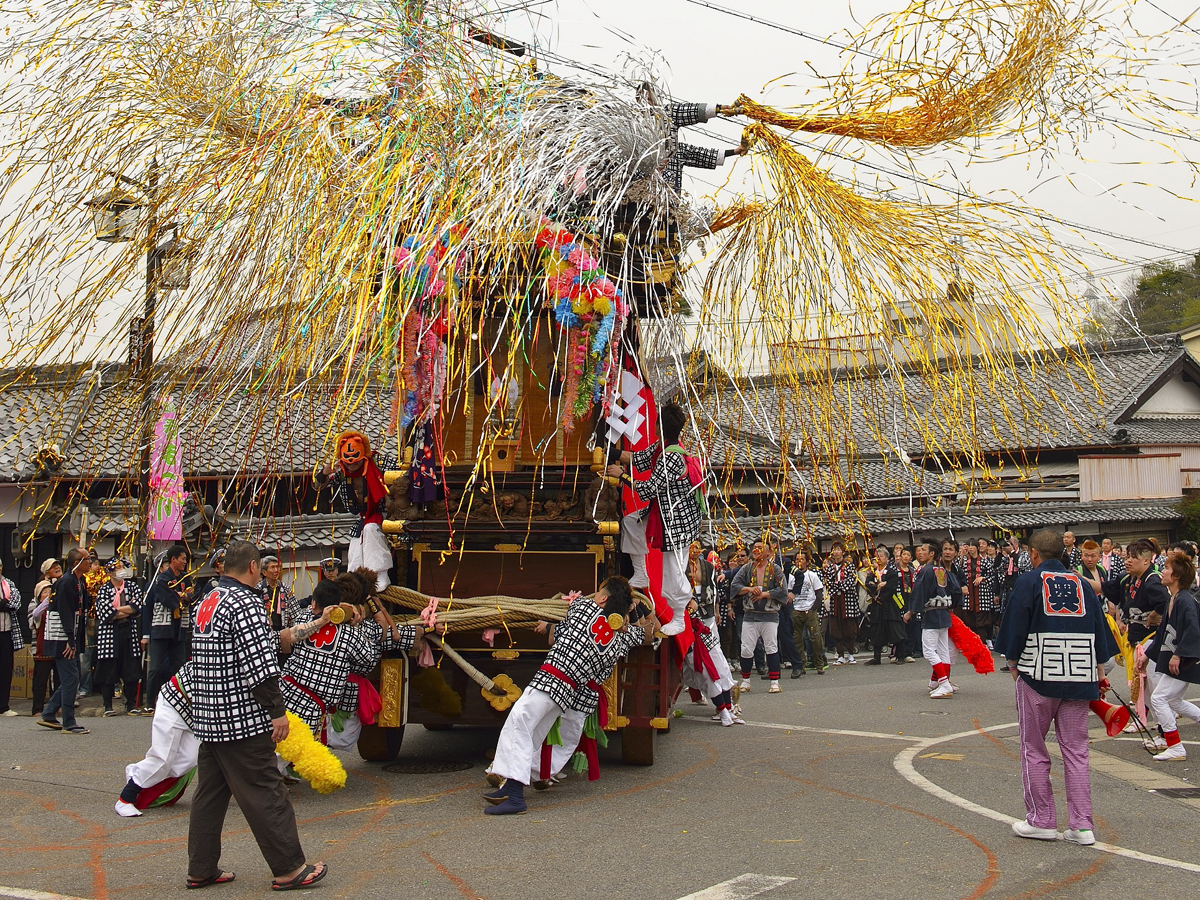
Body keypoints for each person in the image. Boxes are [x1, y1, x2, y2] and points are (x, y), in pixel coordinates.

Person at [186, 540, 327, 891]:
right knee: (266, 789)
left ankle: (201, 867)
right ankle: (290, 868)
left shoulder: (209, 599)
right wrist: (277, 712)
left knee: (211, 795)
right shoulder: (246, 601)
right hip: (240, 716)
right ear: (253, 567)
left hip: (208, 714)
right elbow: (260, 664)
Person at [483, 577, 655, 814]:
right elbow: (647, 634)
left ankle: (514, 796)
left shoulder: (583, 608)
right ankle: (511, 786)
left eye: (598, 593)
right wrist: (626, 618)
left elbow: (564, 624)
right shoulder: (620, 639)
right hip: (568, 692)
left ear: (603, 598)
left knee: (519, 724)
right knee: (532, 734)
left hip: (549, 680)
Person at [996, 528, 1117, 846]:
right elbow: (1099, 630)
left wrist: (1012, 664)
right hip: (1079, 674)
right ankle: (1081, 825)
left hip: (1038, 674)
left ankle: (1042, 820)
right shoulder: (1082, 584)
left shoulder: (1029, 581)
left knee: (1034, 749)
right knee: (1076, 751)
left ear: (1033, 554)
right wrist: (1099, 671)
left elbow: (1013, 631)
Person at [607, 401, 703, 636]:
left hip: (677, 520)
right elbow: (638, 458)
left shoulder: (671, 457)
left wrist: (622, 477)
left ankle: (679, 616)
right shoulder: (665, 446)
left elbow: (649, 489)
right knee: (631, 523)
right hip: (663, 510)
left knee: (674, 569)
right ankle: (641, 572)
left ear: (660, 426)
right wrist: (612, 451)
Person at [1139, 551, 1200, 761]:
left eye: (1166, 568)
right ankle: (1174, 744)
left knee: (1159, 698)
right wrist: (1147, 655)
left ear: (1175, 576)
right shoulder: (1174, 599)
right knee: (1173, 700)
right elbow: (1163, 632)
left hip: (1183, 659)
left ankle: (1175, 746)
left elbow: (1193, 630)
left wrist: (1179, 655)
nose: (1162, 572)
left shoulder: (1185, 600)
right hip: (1179, 659)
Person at [38, 548, 92, 734]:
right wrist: (70, 640)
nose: (91, 562)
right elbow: (65, 612)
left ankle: (49, 712)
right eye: (87, 559)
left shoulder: (79, 581)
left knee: (72, 677)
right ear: (77, 562)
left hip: (70, 634)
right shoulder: (66, 582)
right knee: (71, 678)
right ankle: (68, 721)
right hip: (62, 636)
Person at [906, 539, 963, 699]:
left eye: (923, 550)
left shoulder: (926, 571)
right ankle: (936, 681)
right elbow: (957, 589)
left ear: (932, 554)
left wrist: (911, 611)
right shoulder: (942, 571)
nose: (920, 552)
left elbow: (918, 592)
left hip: (931, 614)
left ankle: (944, 683)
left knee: (929, 651)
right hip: (944, 613)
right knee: (943, 650)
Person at [732, 538, 788, 693]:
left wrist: (764, 594)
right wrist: (749, 590)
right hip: (750, 615)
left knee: (771, 647)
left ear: (768, 551)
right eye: (754, 547)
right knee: (746, 649)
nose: (757, 550)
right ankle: (746, 680)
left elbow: (783, 590)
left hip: (769, 615)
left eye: (760, 547)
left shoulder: (775, 569)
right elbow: (735, 586)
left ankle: (774, 682)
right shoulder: (747, 569)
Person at [143, 545, 194, 713]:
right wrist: (182, 598)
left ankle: (182, 701)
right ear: (173, 560)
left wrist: (186, 597)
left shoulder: (186, 578)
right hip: (161, 627)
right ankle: (151, 702)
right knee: (155, 667)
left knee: (180, 666)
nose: (185, 562)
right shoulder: (161, 579)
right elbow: (166, 597)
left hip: (180, 628)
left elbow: (194, 594)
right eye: (182, 559)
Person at [93, 558, 145, 716]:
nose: (121, 570)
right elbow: (105, 614)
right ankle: (107, 705)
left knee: (131, 670)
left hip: (129, 632)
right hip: (109, 634)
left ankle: (130, 704)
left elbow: (137, 607)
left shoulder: (132, 587)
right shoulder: (103, 590)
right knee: (109, 669)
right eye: (118, 568)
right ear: (110, 572)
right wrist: (125, 611)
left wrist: (117, 609)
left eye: (122, 567)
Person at [866, 546, 907, 665]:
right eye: (877, 557)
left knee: (895, 629)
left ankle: (900, 655)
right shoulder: (873, 572)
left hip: (890, 604)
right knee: (876, 630)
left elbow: (892, 586)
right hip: (876, 606)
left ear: (887, 558)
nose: (878, 559)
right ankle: (876, 657)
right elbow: (868, 584)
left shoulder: (892, 570)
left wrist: (881, 590)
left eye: (881, 556)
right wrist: (877, 587)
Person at [822, 543, 860, 664]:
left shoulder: (849, 566)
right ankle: (840, 654)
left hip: (848, 599)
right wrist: (837, 586)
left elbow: (850, 581)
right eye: (834, 550)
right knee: (836, 627)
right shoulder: (829, 568)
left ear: (843, 552)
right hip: (835, 600)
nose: (836, 552)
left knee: (850, 627)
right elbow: (829, 583)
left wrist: (838, 585)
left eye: (838, 550)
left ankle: (851, 653)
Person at [790, 551, 826, 674]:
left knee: (815, 637)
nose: (799, 562)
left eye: (802, 559)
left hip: (809, 609)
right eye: (797, 559)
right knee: (797, 639)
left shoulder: (812, 575)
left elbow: (819, 594)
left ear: (807, 561)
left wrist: (813, 609)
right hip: (796, 609)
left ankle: (819, 663)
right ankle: (801, 664)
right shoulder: (791, 576)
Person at [27, 579, 57, 716]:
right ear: (39, 595)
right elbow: (35, 616)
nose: (48, 594)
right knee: (40, 680)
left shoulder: (56, 606)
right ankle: (37, 709)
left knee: (57, 680)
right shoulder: (38, 608)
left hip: (56, 647)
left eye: (50, 591)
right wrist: (45, 603)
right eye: (45, 592)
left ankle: (57, 707)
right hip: (43, 649)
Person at [0, 558, 23, 716]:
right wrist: (4, 603)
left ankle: (3, 706)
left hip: (6, 631)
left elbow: (16, 603)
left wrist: (3, 603)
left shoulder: (8, 583)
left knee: (6, 668)